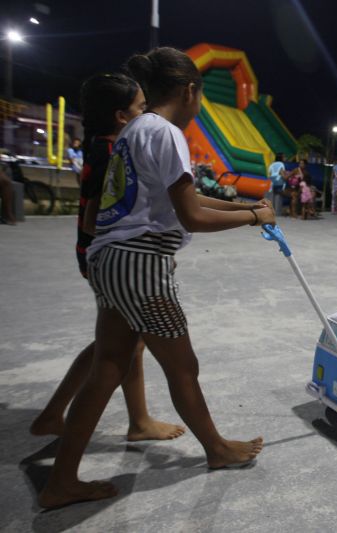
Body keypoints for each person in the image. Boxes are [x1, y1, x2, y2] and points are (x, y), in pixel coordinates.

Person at [38, 47, 275, 510]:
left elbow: (185, 201)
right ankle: (217, 449)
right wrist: (251, 218)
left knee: (109, 365)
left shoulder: (136, 130)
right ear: (189, 91)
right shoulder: (167, 133)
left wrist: (251, 210)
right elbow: (190, 217)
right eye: (200, 96)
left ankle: (60, 481)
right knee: (182, 365)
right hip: (140, 265)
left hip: (109, 259)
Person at [29, 73, 186, 443]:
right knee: (117, 346)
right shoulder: (111, 149)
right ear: (121, 115)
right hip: (108, 253)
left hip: (101, 251)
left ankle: (130, 419)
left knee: (125, 341)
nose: (146, 115)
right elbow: (94, 214)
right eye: (140, 108)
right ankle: (81, 415)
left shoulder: (109, 143)